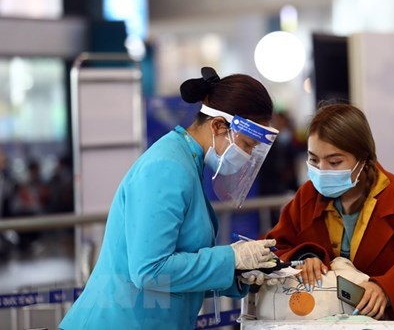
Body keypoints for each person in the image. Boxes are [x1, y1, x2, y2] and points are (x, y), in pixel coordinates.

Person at [60, 67, 280, 330]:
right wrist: (231, 259)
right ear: (219, 126)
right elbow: (150, 271)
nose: (246, 154)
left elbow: (181, 262)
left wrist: (238, 274)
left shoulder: (187, 163)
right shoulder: (167, 167)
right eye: (246, 145)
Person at [266, 102, 394, 321]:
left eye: (334, 161)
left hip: (391, 323)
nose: (322, 171)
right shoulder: (307, 196)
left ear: (363, 158)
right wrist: (303, 257)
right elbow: (275, 246)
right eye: (313, 160)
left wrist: (388, 288)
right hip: (322, 321)